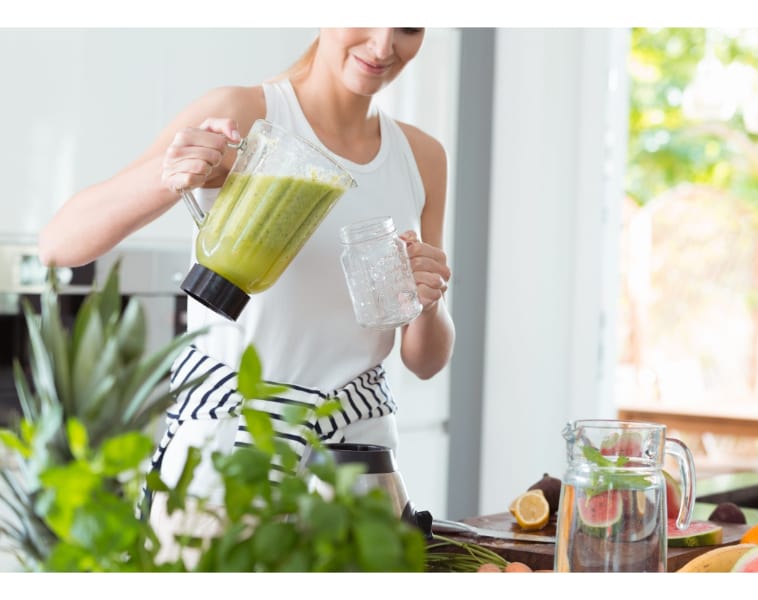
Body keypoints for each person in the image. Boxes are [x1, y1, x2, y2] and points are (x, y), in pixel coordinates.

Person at [38, 28, 455, 561]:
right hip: (225, 455)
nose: (382, 45)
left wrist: (428, 299)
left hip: (356, 463)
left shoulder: (422, 156)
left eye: (409, 27)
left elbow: (425, 361)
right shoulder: (245, 114)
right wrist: (173, 175)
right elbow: (60, 243)